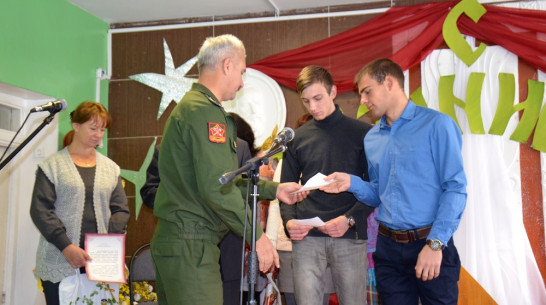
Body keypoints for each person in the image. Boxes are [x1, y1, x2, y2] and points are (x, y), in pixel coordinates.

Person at [150, 34, 306, 305]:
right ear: (227, 65)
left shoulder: (191, 108)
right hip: (192, 244)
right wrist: (258, 238)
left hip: (181, 243)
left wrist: (275, 189)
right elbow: (218, 188)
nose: (243, 81)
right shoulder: (206, 112)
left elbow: (221, 180)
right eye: (242, 71)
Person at [321, 58, 467, 305]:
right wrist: (352, 183)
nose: (363, 101)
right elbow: (380, 193)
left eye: (367, 92)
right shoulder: (372, 138)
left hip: (430, 240)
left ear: (389, 82)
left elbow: (455, 189)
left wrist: (435, 244)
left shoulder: (437, 125)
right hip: (388, 249)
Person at [280, 65, 374, 305]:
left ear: (333, 92)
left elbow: (375, 189)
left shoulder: (364, 133)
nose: (312, 107)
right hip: (307, 236)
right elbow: (286, 189)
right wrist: (289, 221)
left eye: (318, 98)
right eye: (306, 101)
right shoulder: (297, 138)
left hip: (349, 233)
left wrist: (349, 219)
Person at [30, 101, 130, 305]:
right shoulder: (52, 166)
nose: (98, 134)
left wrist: (110, 246)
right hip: (60, 259)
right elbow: (41, 211)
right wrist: (67, 247)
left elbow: (120, 210)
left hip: (99, 262)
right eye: (93, 128)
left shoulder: (111, 168)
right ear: (76, 125)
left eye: (102, 129)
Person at [265, 112, 336, 305]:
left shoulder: (331, 160)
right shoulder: (288, 159)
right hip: (290, 246)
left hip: (321, 244)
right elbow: (274, 206)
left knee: (319, 297)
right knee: (293, 297)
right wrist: (271, 246)